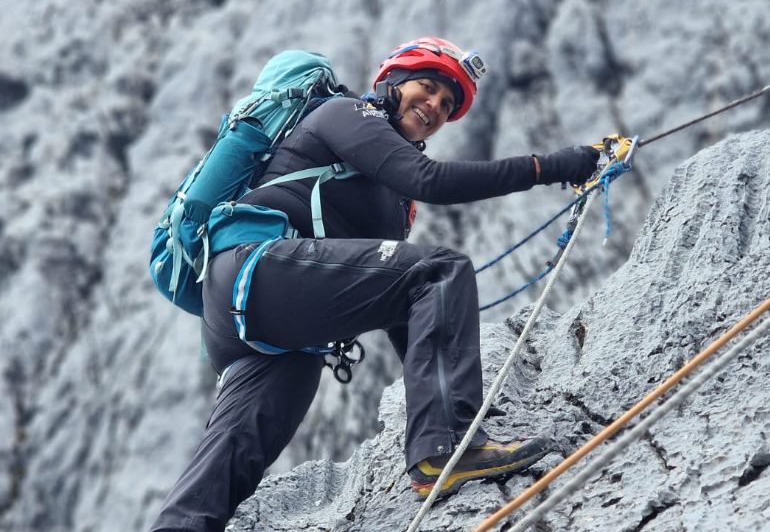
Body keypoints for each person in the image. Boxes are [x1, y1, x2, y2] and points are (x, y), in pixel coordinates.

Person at [150, 37, 599, 531]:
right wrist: (552, 166)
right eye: (426, 88)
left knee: (238, 445)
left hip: (253, 318)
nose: (434, 107)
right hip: (255, 268)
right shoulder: (345, 114)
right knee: (441, 269)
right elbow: (431, 182)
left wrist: (436, 364)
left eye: (447, 105)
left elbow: (396, 299)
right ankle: (445, 446)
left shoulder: (389, 199)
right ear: (390, 83)